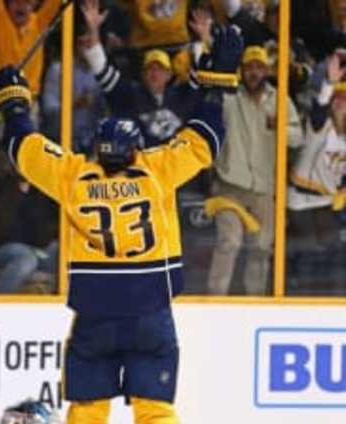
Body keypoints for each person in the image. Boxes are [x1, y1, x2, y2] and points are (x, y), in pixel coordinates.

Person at [0, 24, 243, 424]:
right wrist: (215, 84)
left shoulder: (74, 173)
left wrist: (14, 102)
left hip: (97, 315)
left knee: (88, 413)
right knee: (155, 412)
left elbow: (24, 148)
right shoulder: (155, 169)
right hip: (152, 309)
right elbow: (206, 135)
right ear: (134, 148)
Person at [206, 45, 303, 296]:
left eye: (259, 67)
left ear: (268, 71)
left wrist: (278, 125)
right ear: (241, 70)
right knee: (229, 242)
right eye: (249, 67)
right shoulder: (229, 99)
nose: (254, 73)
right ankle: (215, 301)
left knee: (261, 248)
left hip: (264, 189)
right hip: (229, 186)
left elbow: (298, 138)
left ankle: (255, 302)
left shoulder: (280, 100)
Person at [80, 0, 216, 147]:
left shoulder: (183, 96)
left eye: (160, 69)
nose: (155, 73)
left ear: (169, 75)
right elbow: (100, 68)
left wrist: (204, 38)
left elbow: (203, 71)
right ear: (143, 74)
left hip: (176, 166)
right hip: (142, 166)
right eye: (150, 68)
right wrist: (93, 30)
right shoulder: (129, 95)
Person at [287, 53, 346, 295]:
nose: (339, 102)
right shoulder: (321, 127)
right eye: (337, 98)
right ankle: (298, 293)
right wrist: (329, 84)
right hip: (301, 200)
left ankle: (328, 297)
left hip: (325, 202)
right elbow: (318, 110)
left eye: (344, 98)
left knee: (334, 247)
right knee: (313, 246)